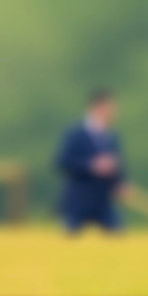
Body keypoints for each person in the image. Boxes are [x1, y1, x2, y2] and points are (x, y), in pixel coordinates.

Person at [55, 88, 127, 234]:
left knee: (118, 236)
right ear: (97, 107)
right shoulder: (76, 134)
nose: (113, 111)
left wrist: (120, 183)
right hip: (79, 199)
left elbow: (117, 166)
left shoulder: (111, 136)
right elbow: (62, 161)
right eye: (110, 107)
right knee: (70, 241)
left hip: (103, 199)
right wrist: (91, 165)